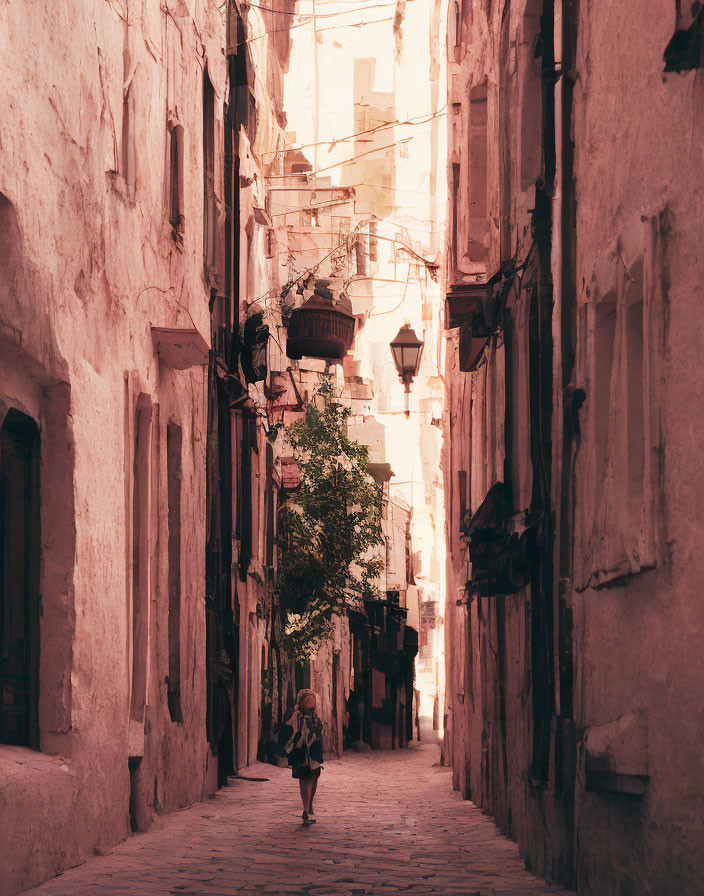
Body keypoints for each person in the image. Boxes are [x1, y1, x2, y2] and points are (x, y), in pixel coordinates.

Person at [284, 688, 323, 826]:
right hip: (305, 752)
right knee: (307, 779)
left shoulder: (311, 717)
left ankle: (308, 807)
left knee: (311, 778)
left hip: (311, 752)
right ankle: (306, 809)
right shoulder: (301, 717)